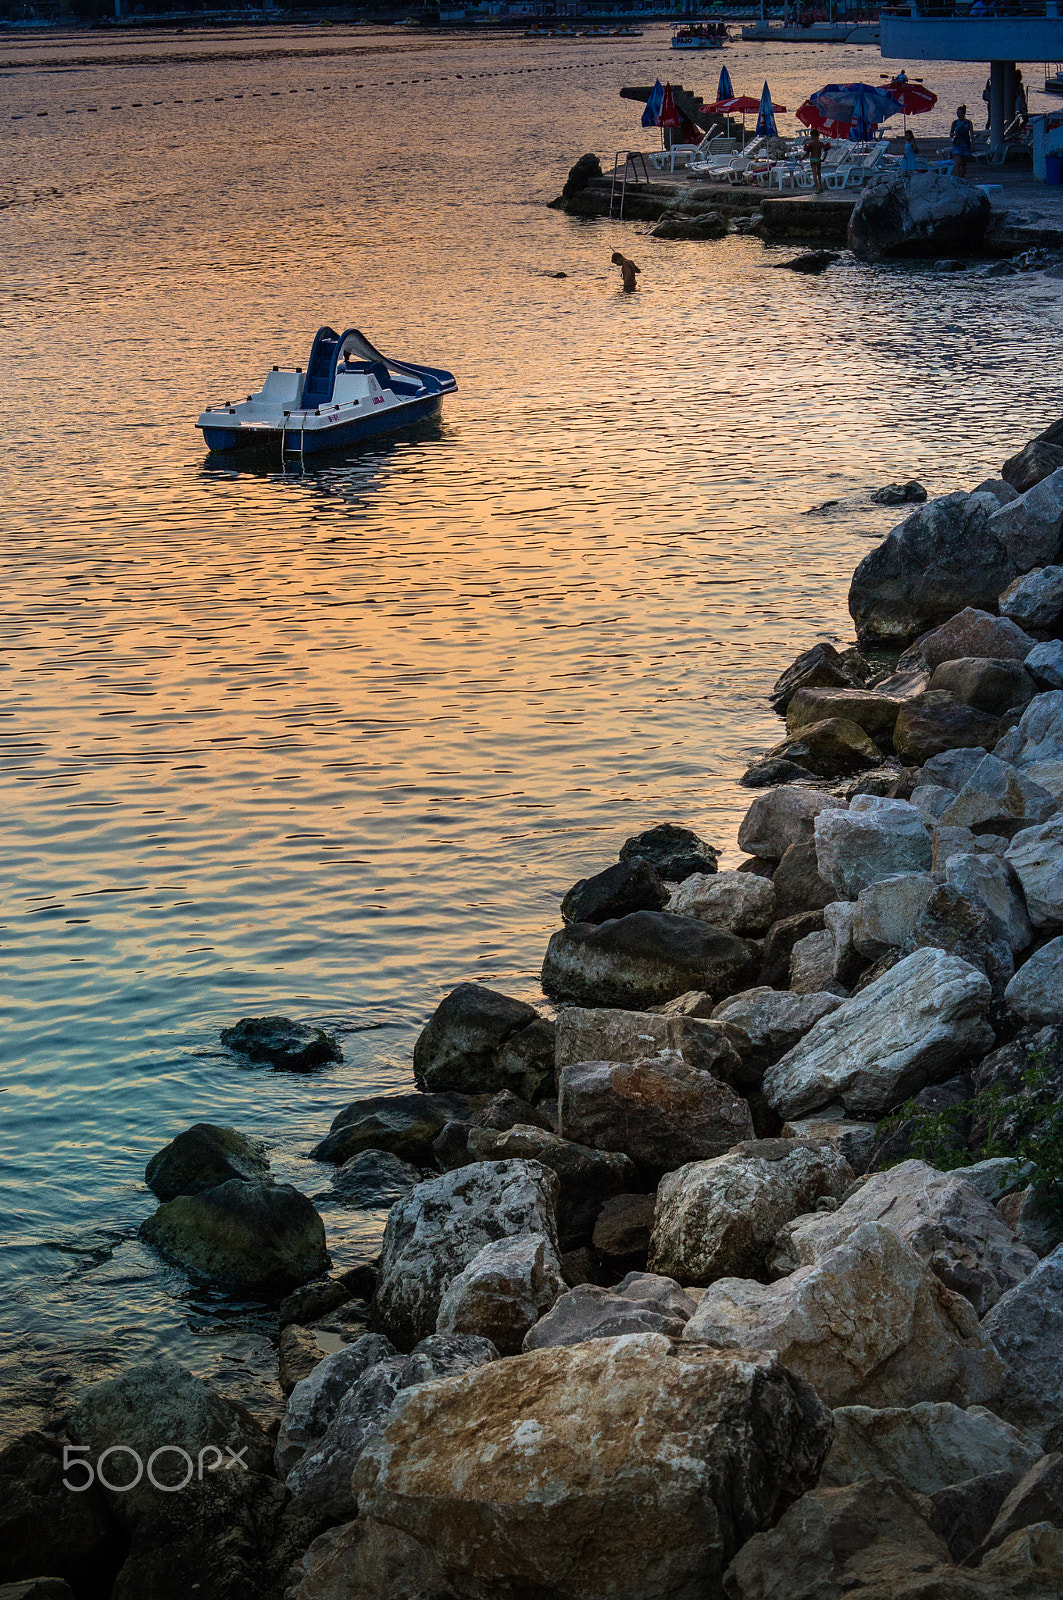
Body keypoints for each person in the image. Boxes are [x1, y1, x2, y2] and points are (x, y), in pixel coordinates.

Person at [950, 104, 974, 178]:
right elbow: (951, 133)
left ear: (964, 114)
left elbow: (972, 134)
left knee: (963, 163)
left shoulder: (968, 122)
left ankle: (962, 178)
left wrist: (973, 144)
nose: (958, 115)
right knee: (958, 162)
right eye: (957, 113)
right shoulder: (955, 123)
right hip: (957, 143)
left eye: (960, 113)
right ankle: (957, 178)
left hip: (966, 143)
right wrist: (953, 134)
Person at [803, 127, 829, 192]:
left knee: (814, 174)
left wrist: (801, 158)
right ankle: (821, 187)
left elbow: (807, 153)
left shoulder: (811, 143)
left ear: (812, 136)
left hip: (812, 159)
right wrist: (823, 159)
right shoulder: (821, 143)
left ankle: (817, 188)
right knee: (819, 174)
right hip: (818, 159)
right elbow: (826, 152)